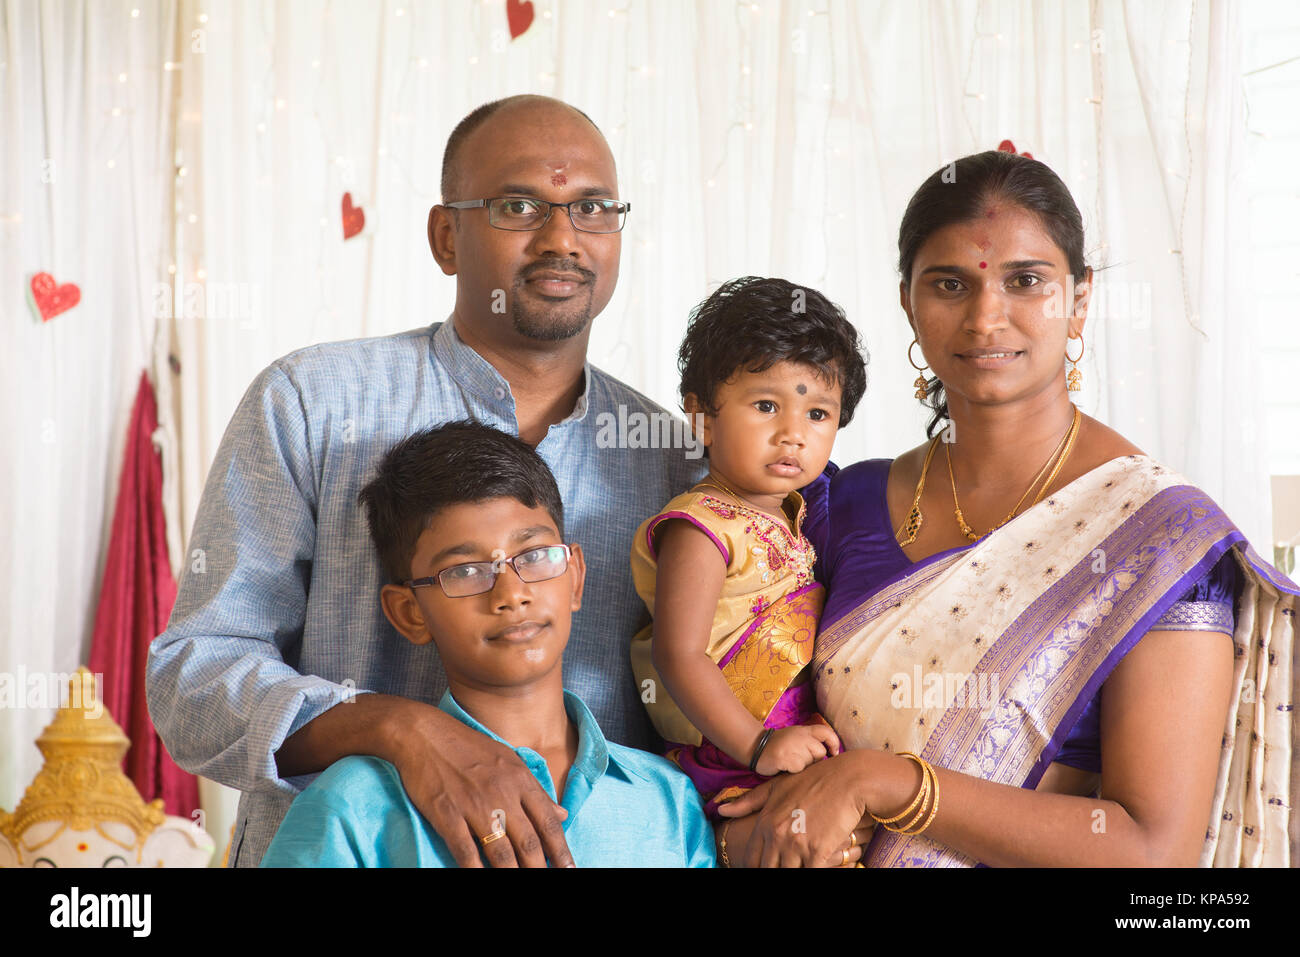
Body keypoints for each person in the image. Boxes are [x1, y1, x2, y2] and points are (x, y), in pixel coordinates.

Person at [146, 94, 705, 868]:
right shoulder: (313, 403)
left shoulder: (674, 463)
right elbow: (191, 682)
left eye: (592, 207)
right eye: (518, 205)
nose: (561, 238)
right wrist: (400, 728)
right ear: (447, 236)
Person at [717, 148, 1299, 868]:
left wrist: (883, 780)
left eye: (1027, 281)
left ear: (1079, 300)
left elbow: (1153, 850)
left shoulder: (1156, 534)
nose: (986, 317)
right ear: (908, 301)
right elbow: (746, 708)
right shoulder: (842, 503)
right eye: (950, 284)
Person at [260, 423, 715, 867]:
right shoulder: (353, 806)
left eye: (535, 556)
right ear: (409, 612)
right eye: (464, 571)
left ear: (574, 576)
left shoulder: (667, 798)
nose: (511, 594)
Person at [628, 277, 866, 817]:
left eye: (817, 414)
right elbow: (678, 654)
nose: (793, 434)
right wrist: (757, 745)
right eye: (765, 405)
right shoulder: (699, 526)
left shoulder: (799, 513)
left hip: (796, 740)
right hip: (732, 750)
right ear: (702, 417)